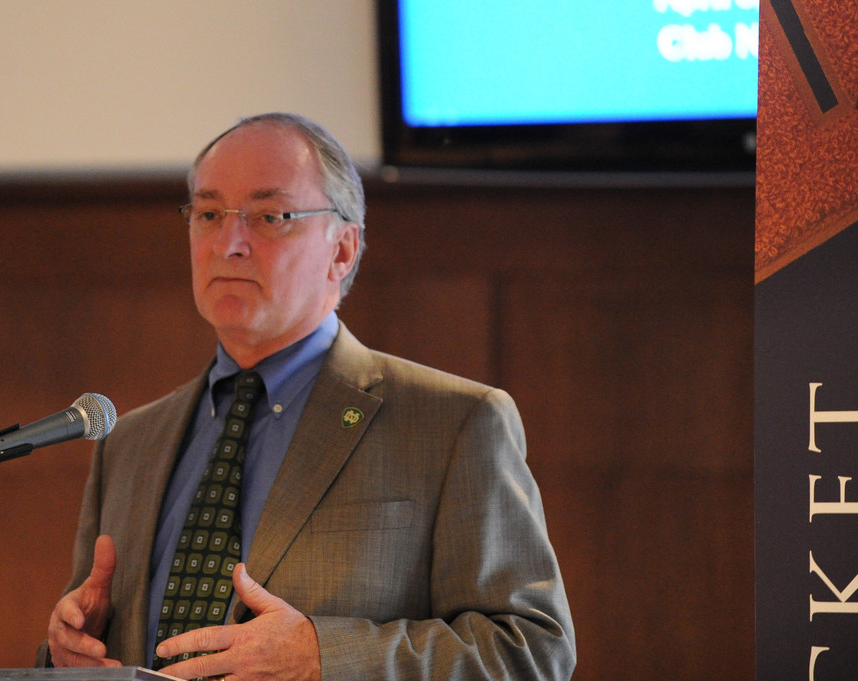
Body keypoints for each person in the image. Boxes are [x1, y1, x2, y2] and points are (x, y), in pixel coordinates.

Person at [38, 112, 575, 681]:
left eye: (270, 216)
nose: (229, 243)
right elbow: (89, 650)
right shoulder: (129, 442)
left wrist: (325, 657)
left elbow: (531, 651)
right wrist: (69, 649)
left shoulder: (454, 423)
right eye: (209, 213)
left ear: (342, 251)